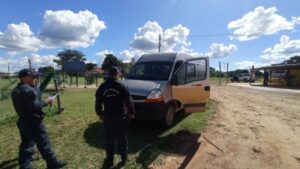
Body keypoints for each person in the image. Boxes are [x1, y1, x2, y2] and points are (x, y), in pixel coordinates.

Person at [11, 69, 67, 169]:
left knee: (26, 144)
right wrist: (47, 102)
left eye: (36, 77)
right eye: (33, 77)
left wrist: (35, 87)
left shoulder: (17, 89)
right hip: (34, 121)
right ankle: (52, 163)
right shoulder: (27, 90)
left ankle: (25, 166)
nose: (36, 78)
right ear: (24, 78)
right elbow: (35, 105)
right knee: (44, 142)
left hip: (23, 121)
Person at [95, 67, 135, 168]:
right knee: (122, 139)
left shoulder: (102, 86)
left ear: (109, 74)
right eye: (119, 73)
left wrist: (100, 113)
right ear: (117, 74)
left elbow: (98, 102)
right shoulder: (122, 85)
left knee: (110, 140)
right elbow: (129, 100)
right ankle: (124, 159)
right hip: (121, 117)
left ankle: (110, 160)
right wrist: (131, 112)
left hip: (108, 118)